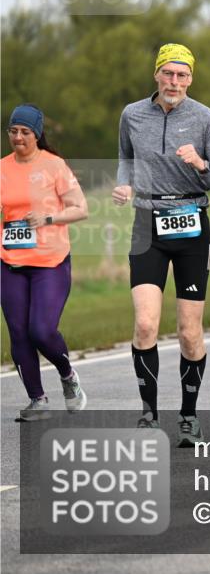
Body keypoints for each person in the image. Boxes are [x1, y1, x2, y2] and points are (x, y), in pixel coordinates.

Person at [113, 44, 210, 446]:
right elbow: (125, 159)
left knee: (189, 332)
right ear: (156, 75)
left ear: (191, 79)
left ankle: (188, 416)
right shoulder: (132, 114)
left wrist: (200, 163)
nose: (175, 83)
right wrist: (125, 183)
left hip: (191, 225)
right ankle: (148, 414)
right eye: (169, 74)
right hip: (147, 222)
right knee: (146, 324)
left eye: (182, 76)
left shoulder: (206, 119)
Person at [1, 104, 88, 421]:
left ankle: (67, 375)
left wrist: (48, 217)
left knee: (41, 329)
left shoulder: (54, 166)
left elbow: (81, 208)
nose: (18, 138)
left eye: (25, 132)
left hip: (50, 262)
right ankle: (37, 400)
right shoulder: (3, 168)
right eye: (13, 131)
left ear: (36, 135)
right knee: (19, 332)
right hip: (11, 261)